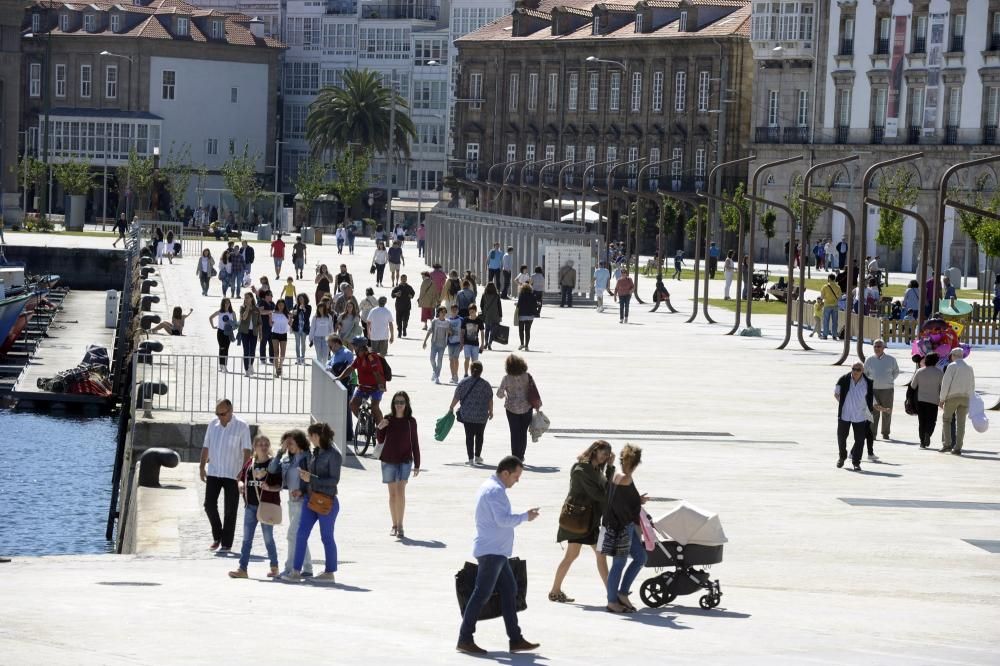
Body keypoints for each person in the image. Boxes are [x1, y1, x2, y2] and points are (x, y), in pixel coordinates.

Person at [456, 456, 541, 655]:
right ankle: (464, 638)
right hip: (491, 551)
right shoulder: (494, 491)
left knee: (510, 590)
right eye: (516, 476)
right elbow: (503, 520)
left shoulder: (492, 487)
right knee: (481, 594)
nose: (517, 480)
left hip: (496, 551)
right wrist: (525, 517)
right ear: (505, 473)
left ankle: (516, 639)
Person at [548, 440, 614, 604]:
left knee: (579, 555)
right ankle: (612, 594)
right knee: (587, 555)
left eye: (607, 455)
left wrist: (609, 468)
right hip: (579, 520)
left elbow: (604, 487)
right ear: (595, 451)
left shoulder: (594, 468)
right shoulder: (582, 470)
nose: (605, 458)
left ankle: (555, 591)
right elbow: (600, 494)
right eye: (603, 454)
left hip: (588, 520)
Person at [286, 422, 341, 582]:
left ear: (317, 436)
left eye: (310, 436)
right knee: (301, 534)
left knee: (327, 537)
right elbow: (311, 477)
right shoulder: (316, 452)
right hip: (310, 499)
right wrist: (303, 488)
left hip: (326, 501)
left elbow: (334, 480)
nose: (309, 439)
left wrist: (311, 478)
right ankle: (296, 571)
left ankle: (329, 573)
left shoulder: (334, 454)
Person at [200, 399, 252, 552]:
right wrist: (202, 466)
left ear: (230, 411)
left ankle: (226, 544)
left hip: (233, 474)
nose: (219, 417)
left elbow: (247, 451)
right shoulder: (212, 425)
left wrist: (243, 472)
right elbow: (206, 446)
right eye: (217, 413)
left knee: (230, 510)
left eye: (222, 414)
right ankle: (217, 536)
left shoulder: (242, 426)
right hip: (214, 471)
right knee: (209, 505)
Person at [602, 444, 648, 613]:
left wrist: (637, 500)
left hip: (622, 525)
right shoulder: (626, 479)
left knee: (640, 557)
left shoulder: (618, 475)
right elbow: (628, 506)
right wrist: (639, 502)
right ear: (636, 463)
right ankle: (612, 601)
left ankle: (622, 594)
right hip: (622, 527)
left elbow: (619, 501)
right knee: (619, 564)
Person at [229, 435, 282, 579]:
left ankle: (274, 567)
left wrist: (269, 487)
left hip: (266, 506)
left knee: (268, 538)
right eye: (260, 444)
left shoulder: (273, 464)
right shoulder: (250, 463)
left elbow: (280, 485)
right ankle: (242, 568)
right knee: (247, 539)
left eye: (266, 444)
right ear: (255, 447)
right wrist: (240, 485)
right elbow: (240, 479)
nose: (263, 447)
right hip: (250, 506)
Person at [375, 391, 421, 539]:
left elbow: (415, 442)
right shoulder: (388, 419)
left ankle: (400, 526)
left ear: (406, 404)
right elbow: (380, 439)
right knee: (392, 494)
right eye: (396, 402)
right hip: (388, 459)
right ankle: (394, 524)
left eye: (402, 402)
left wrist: (418, 463)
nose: (399, 405)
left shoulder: (410, 421)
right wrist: (380, 428)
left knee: (401, 492)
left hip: (405, 460)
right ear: (393, 404)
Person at [269, 430, 312, 577]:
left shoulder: (308, 458)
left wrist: (302, 491)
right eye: (286, 444)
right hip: (291, 502)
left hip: (304, 501)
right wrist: (280, 452)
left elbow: (312, 480)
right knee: (299, 535)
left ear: (299, 442)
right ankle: (308, 568)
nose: (289, 446)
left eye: (291, 443)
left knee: (291, 535)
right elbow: (271, 469)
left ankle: (290, 567)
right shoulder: (287, 459)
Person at [450, 361, 494, 465]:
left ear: (470, 369)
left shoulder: (463, 382)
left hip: (467, 415)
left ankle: (470, 459)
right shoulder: (486, 384)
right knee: (480, 435)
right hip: (481, 415)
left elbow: (457, 396)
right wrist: (491, 411)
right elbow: (490, 399)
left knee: (469, 436)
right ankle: (477, 456)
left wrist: (451, 407)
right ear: (481, 371)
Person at [497, 354, 539, 462]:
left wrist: (505, 396)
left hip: (512, 409)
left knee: (514, 432)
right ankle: (521, 455)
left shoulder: (506, 378)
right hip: (527, 408)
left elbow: (499, 394)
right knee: (523, 432)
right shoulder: (527, 376)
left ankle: (515, 455)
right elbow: (534, 390)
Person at [338, 336, 387, 424]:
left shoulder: (371, 358)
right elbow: (350, 368)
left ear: (360, 347)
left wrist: (380, 386)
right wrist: (339, 377)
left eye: (355, 346)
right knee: (353, 405)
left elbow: (377, 372)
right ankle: (364, 423)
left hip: (376, 386)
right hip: (363, 386)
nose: (353, 347)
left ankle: (381, 429)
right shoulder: (358, 358)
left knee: (374, 407)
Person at [864, 339, 900, 457]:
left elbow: (896, 372)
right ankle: (872, 433)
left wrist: (889, 381)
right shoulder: (869, 359)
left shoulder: (891, 359)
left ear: (884, 347)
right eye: (875, 346)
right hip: (873, 389)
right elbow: (866, 374)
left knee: (887, 411)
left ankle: (885, 433)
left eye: (879, 346)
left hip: (887, 389)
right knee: (874, 412)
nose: (877, 348)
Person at [835, 362, 873, 472]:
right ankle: (842, 457)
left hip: (860, 416)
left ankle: (856, 462)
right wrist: (843, 403)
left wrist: (870, 410)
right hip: (845, 414)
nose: (855, 371)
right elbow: (836, 393)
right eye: (854, 369)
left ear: (863, 370)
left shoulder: (868, 382)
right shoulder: (843, 379)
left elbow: (870, 398)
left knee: (860, 440)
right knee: (841, 438)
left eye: (858, 369)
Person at [940, 347, 975, 455]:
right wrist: (970, 398)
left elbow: (945, 384)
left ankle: (947, 444)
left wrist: (942, 399)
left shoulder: (952, 366)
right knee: (961, 423)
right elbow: (972, 385)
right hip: (965, 398)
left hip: (952, 397)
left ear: (953, 355)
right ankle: (958, 447)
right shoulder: (969, 368)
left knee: (947, 420)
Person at [910, 353, 943, 448]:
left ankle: (922, 441)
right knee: (932, 420)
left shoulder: (919, 371)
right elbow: (943, 386)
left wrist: (911, 400)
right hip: (933, 400)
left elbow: (912, 386)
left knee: (922, 421)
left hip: (921, 400)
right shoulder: (939, 373)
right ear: (936, 361)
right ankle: (928, 433)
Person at [423, 306, 450, 384]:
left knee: (439, 361)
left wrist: (449, 332)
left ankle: (437, 376)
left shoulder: (447, 322)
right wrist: (425, 341)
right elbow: (430, 331)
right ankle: (435, 371)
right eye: (442, 312)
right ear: (438, 313)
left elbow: (450, 332)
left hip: (442, 345)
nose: (443, 313)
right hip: (434, 344)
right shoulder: (435, 321)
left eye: (445, 312)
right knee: (432, 359)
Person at [209, 298, 236, 370]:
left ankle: (225, 365)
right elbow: (210, 317)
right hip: (220, 332)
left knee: (226, 349)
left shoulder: (232, 313)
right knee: (222, 348)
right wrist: (213, 326)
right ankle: (221, 365)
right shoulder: (219, 312)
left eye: (228, 303)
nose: (227, 304)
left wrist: (233, 326)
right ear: (223, 304)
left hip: (228, 332)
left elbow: (235, 324)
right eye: (225, 303)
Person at [237, 293, 260, 376]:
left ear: (251, 298)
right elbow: (243, 318)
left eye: (247, 298)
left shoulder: (256, 309)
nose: (246, 299)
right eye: (245, 298)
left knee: (252, 350)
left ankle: (250, 365)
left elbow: (259, 322)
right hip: (245, 332)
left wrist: (260, 334)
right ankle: (246, 370)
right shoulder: (242, 308)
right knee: (246, 350)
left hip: (254, 332)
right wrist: (247, 308)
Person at [267, 298, 290, 377]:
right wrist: (270, 317)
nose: (280, 306)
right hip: (275, 334)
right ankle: (277, 369)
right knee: (276, 353)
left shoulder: (287, 314)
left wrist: (292, 320)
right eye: (279, 305)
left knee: (283, 353)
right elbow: (270, 324)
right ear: (277, 305)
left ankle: (280, 366)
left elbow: (290, 324)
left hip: (284, 334)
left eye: (282, 305)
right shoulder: (274, 313)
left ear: (284, 306)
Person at [461, 304, 485, 377]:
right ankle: (465, 373)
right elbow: (462, 331)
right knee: (467, 358)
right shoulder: (465, 319)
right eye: (470, 311)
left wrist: (482, 344)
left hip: (475, 344)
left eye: (473, 311)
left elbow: (482, 332)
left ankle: (474, 375)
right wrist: (461, 342)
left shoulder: (479, 321)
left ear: (475, 311)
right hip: (467, 343)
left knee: (475, 361)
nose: (471, 313)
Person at [479, 282, 503, 350]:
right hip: (495, 315)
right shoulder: (496, 295)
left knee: (487, 329)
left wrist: (484, 311)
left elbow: (481, 305)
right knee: (493, 330)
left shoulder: (484, 295)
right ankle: (490, 343)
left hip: (487, 315)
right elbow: (499, 306)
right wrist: (500, 316)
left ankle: (486, 342)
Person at [290, 294, 312, 366]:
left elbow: (307, 316)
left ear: (305, 299)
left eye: (302, 299)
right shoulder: (295, 306)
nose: (301, 300)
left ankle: (302, 358)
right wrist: (299, 308)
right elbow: (294, 316)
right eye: (299, 299)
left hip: (304, 329)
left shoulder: (309, 307)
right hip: (297, 328)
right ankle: (298, 359)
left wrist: (304, 309)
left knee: (303, 344)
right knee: (297, 344)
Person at [514, 283, 536, 352]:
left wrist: (516, 305)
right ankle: (526, 346)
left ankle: (522, 344)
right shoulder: (532, 295)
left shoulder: (521, 295)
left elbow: (519, 304)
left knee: (521, 330)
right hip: (530, 316)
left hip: (522, 315)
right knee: (527, 331)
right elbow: (535, 305)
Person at [821, 274, 843, 340]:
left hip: (827, 305)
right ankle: (834, 335)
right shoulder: (838, 287)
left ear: (829, 279)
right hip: (835, 306)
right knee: (835, 321)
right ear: (834, 279)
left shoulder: (825, 287)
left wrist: (827, 298)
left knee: (826, 321)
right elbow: (840, 297)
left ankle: (825, 335)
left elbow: (822, 297)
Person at [445, 304, 464, 383]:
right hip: (450, 342)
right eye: (453, 310)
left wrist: (462, 343)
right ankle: (452, 375)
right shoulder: (448, 320)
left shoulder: (461, 320)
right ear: (451, 311)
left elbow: (463, 332)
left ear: (458, 311)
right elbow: (445, 331)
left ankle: (456, 375)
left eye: (455, 310)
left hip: (458, 342)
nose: (454, 312)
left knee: (456, 358)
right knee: (451, 360)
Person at [257, 289, 275, 365]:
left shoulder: (272, 304)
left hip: (272, 327)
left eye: (271, 295)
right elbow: (260, 312)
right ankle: (262, 358)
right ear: (266, 296)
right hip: (263, 326)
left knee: (272, 343)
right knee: (263, 343)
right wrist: (269, 312)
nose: (271, 296)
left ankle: (272, 359)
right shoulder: (262, 302)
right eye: (269, 295)